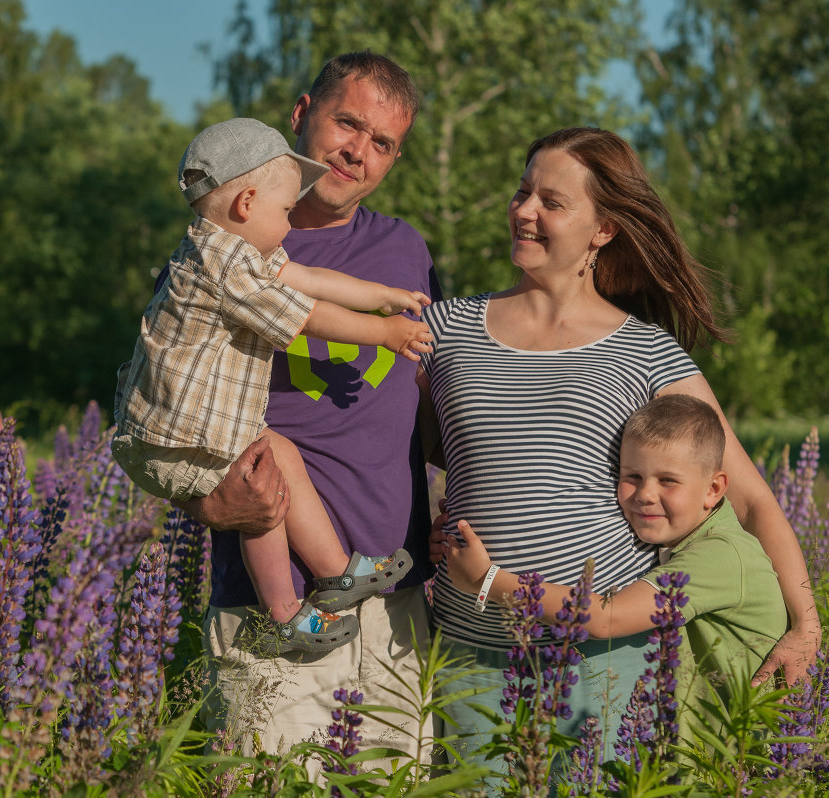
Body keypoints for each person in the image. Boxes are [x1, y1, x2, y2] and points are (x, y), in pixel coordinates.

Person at [418, 126, 820, 770]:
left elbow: (747, 495)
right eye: (523, 193)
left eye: (552, 201)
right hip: (474, 654)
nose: (525, 211)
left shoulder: (646, 350)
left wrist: (807, 626)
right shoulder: (447, 329)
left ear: (603, 229)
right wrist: (428, 528)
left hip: (604, 660)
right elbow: (401, 453)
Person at [167, 53, 443, 758]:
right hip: (272, 608)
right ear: (300, 115)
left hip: (396, 608)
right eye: (347, 123)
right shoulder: (225, 242)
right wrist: (211, 506)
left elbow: (427, 405)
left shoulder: (404, 249)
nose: (358, 151)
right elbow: (158, 412)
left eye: (382, 143)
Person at [113, 117, 430, 654]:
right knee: (261, 492)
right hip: (182, 438)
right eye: (284, 211)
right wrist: (383, 331)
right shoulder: (224, 267)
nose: (288, 225)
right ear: (246, 204)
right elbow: (304, 313)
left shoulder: (233, 251)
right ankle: (285, 612)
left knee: (276, 454)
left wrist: (380, 293)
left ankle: (336, 572)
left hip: (189, 430)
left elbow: (310, 279)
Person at [446, 394, 788, 743]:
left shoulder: (720, 556)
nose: (645, 494)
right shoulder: (691, 538)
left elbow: (607, 618)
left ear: (713, 489)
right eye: (633, 476)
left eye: (668, 480)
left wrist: (487, 580)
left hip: (740, 756)